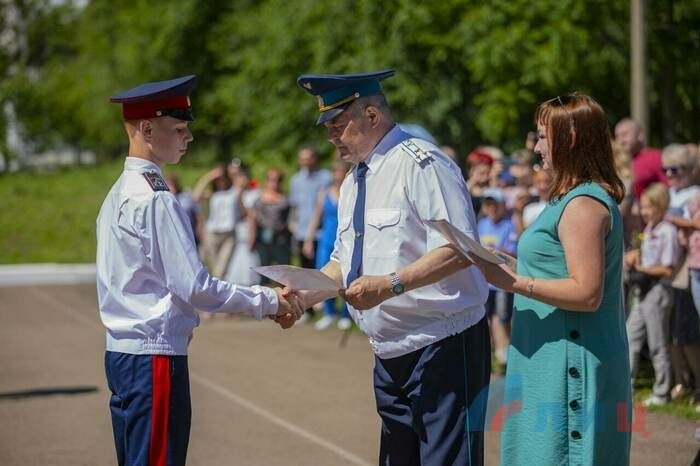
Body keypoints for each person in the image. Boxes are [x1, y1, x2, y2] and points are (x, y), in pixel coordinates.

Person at [97, 75, 303, 466]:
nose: (187, 137)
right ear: (146, 129)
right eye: (178, 129)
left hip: (126, 353)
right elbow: (196, 286)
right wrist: (269, 301)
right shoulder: (155, 199)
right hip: (153, 357)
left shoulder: (119, 192)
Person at [295, 69, 491, 465]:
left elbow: (459, 249)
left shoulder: (422, 163)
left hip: (442, 345)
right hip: (388, 353)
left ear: (371, 115)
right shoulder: (354, 179)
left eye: (337, 124)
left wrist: (390, 285)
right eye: (328, 127)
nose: (331, 136)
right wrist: (303, 295)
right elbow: (343, 262)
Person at [470, 93, 631, 465]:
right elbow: (555, 267)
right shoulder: (570, 198)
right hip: (551, 358)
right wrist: (504, 263)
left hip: (569, 362)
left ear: (569, 139)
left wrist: (512, 283)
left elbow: (587, 292)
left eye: (542, 136)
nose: (537, 146)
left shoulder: (582, 205)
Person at [625, 183, 677, 406]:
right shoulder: (649, 229)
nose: (644, 212)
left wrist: (641, 269)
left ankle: (662, 390)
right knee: (630, 337)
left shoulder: (667, 231)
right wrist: (635, 257)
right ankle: (625, 386)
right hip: (642, 290)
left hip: (658, 289)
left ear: (661, 206)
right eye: (643, 207)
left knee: (657, 342)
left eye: (649, 207)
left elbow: (668, 268)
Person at [302, 159, 353, 331]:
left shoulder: (352, 190)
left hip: (346, 239)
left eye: (341, 171)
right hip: (326, 238)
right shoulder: (324, 192)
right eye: (336, 171)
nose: (338, 175)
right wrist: (309, 239)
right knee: (323, 277)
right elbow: (316, 216)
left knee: (347, 277)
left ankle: (346, 315)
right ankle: (329, 313)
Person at [477, 187, 518, 374]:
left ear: (502, 206)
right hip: (483, 282)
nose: (492, 207)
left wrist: (493, 251)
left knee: (502, 320)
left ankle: (504, 358)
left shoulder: (509, 225)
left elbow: (512, 252)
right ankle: (491, 357)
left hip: (502, 282)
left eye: (495, 204)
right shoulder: (481, 224)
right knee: (484, 320)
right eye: (488, 204)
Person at [192, 164, 239, 278]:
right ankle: (218, 294)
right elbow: (195, 196)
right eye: (218, 179)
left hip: (229, 235)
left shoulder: (235, 191)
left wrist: (230, 172)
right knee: (215, 270)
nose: (220, 181)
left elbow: (242, 181)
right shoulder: (213, 194)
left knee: (220, 271)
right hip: (212, 234)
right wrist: (209, 176)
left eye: (223, 178)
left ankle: (218, 294)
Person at [289, 146, 332, 269]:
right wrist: (292, 223)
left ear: (315, 159)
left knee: (321, 269)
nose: (305, 162)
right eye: (302, 159)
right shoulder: (295, 180)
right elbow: (294, 205)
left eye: (308, 158)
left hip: (320, 232)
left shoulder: (326, 178)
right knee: (305, 269)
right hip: (301, 231)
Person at [249, 168, 292, 282]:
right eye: (271, 180)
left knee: (284, 273)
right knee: (263, 271)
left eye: (277, 180)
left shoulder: (286, 199)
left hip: (281, 240)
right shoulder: (259, 199)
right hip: (263, 240)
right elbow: (253, 219)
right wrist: (251, 238)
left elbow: (291, 219)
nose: (274, 183)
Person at [225, 164, 262, 286]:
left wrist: (240, 192)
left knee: (247, 274)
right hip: (232, 236)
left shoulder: (254, 193)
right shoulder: (230, 191)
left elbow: (247, 214)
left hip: (247, 236)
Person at [614, 118, 666, 199]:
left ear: (640, 135)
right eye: (617, 136)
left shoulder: (656, 158)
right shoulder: (614, 162)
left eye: (625, 135)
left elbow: (668, 187)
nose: (621, 141)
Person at [164, 172, 203, 246]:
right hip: (174, 236)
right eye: (167, 184)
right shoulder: (164, 199)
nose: (170, 187)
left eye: (171, 184)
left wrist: (200, 228)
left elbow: (198, 214)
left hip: (190, 234)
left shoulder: (187, 196)